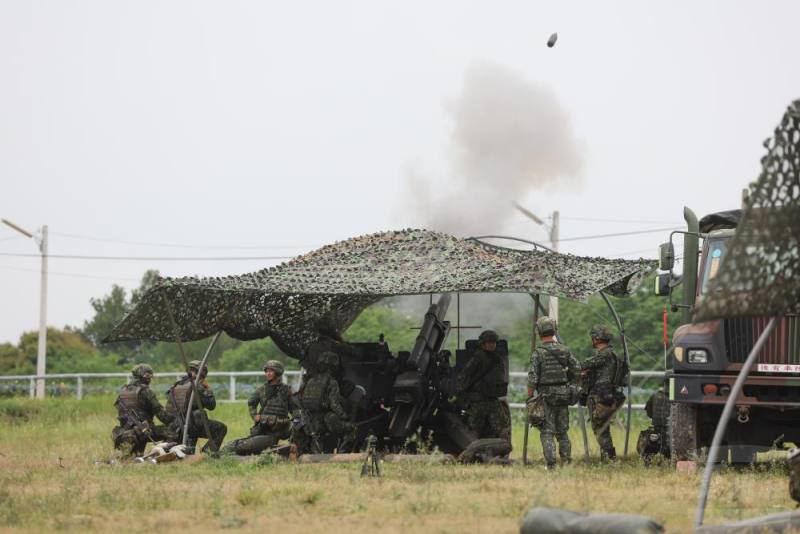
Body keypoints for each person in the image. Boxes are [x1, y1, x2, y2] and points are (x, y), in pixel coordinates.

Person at [528, 316, 579, 469]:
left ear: (539, 332)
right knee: (562, 431)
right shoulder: (564, 350)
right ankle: (566, 462)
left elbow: (532, 378)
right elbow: (577, 369)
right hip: (563, 394)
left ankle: (551, 465)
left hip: (546, 396)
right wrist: (571, 386)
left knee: (547, 432)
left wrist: (529, 397)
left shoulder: (538, 353)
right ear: (554, 330)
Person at [222, 360, 294, 456]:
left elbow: (294, 408)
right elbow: (251, 403)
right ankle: (224, 452)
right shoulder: (261, 390)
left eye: (271, 371)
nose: (268, 373)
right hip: (266, 431)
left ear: (278, 372)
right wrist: (254, 415)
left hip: (281, 429)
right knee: (243, 445)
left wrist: (296, 422)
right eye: (266, 371)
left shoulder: (286, 390)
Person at [453, 330, 511, 445]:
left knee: (502, 428)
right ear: (483, 344)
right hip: (478, 401)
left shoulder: (497, 358)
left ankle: (503, 449)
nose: (492, 345)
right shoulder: (478, 357)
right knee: (474, 430)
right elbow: (464, 375)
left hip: (492, 399)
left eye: (493, 342)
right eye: (489, 343)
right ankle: (474, 450)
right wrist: (461, 391)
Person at [581, 324, 629, 461]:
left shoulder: (605, 354)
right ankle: (608, 459)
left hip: (600, 397)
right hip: (609, 396)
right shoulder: (613, 355)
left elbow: (584, 365)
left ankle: (609, 459)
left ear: (596, 339)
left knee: (600, 430)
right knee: (603, 429)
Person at [293, 351, 354, 454]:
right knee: (352, 428)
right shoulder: (332, 382)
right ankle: (342, 454)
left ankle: (303, 452)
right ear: (334, 367)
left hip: (308, 419)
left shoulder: (310, 381)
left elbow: (298, 399)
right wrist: (345, 417)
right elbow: (334, 404)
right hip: (323, 420)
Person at [112, 363, 175, 457]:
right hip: (142, 431)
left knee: (134, 457)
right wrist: (174, 420)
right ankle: (166, 454)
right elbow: (162, 415)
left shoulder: (123, 390)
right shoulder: (145, 391)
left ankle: (137, 454)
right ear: (145, 377)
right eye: (149, 376)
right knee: (173, 431)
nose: (150, 379)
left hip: (125, 432)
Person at [166, 359, 227, 453]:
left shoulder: (177, 385)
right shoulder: (197, 386)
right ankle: (208, 452)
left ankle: (189, 450)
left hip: (175, 426)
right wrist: (208, 389)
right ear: (202, 373)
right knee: (221, 428)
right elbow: (212, 405)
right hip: (190, 426)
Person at [637, 387, 671, 461]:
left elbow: (648, 411)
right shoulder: (680, 397)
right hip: (671, 430)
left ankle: (647, 461)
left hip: (657, 427)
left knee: (651, 442)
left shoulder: (655, 395)